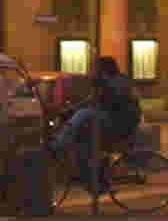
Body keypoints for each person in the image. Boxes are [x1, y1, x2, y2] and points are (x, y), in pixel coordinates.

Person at [52, 54, 141, 185]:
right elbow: (90, 100)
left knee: (84, 114)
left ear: (102, 70)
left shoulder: (119, 82)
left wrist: (102, 84)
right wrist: (69, 111)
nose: (91, 71)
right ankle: (95, 181)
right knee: (81, 141)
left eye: (94, 68)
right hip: (109, 122)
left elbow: (104, 101)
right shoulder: (106, 83)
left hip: (119, 124)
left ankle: (58, 145)